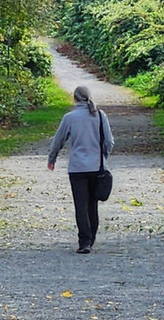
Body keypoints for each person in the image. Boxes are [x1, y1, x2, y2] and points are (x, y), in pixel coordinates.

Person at [47, 85, 114, 254]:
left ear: (75, 99)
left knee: (80, 205)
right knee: (93, 204)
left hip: (77, 169)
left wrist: (52, 158)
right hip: (96, 168)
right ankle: (91, 239)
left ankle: (84, 242)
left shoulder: (70, 117)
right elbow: (109, 142)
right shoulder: (100, 115)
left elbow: (58, 140)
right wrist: (102, 157)